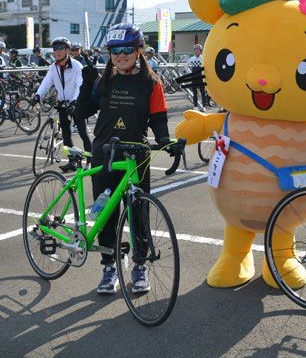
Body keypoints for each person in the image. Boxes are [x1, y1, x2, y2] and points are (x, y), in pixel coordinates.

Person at [76, 23, 171, 295]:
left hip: (136, 155)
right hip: (104, 153)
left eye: (127, 49)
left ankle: (139, 265)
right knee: (105, 213)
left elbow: (159, 118)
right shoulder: (103, 81)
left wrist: (165, 140)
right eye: (115, 50)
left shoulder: (151, 82)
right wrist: (86, 82)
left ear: (139, 50)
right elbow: (82, 111)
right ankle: (110, 266)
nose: (121, 55)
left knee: (138, 213)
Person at [32, 37, 92, 171]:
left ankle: (90, 160)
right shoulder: (54, 67)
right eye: (55, 48)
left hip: (77, 103)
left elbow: (80, 85)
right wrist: (37, 95)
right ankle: (73, 162)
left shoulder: (77, 66)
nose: (57, 51)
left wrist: (75, 101)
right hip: (63, 104)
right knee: (66, 135)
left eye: (60, 48)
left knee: (83, 132)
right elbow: (47, 82)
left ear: (67, 50)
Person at [185, 43, 207, 112]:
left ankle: (203, 106)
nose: (196, 51)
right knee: (195, 93)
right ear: (194, 51)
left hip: (201, 78)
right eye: (195, 50)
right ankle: (195, 106)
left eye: (198, 50)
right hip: (194, 78)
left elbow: (207, 67)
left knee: (203, 92)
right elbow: (186, 66)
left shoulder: (203, 58)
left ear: (201, 51)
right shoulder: (192, 59)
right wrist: (190, 73)